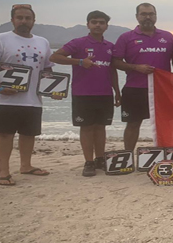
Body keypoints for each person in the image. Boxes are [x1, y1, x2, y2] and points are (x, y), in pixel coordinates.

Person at [0, 4, 57, 185]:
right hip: (4, 99)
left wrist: (52, 89)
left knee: (28, 134)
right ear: (12, 20)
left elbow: (47, 69)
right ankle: (3, 171)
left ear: (33, 21)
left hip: (33, 100)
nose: (24, 21)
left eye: (27, 18)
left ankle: (26, 166)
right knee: (5, 134)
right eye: (20, 18)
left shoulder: (43, 42)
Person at [50, 10, 121, 176]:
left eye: (101, 22)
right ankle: (89, 162)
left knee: (101, 127)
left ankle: (100, 159)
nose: (98, 25)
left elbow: (112, 71)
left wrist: (117, 92)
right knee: (87, 128)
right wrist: (79, 61)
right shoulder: (78, 43)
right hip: (83, 94)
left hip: (105, 94)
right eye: (94, 22)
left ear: (106, 26)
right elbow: (54, 57)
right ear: (88, 24)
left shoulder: (110, 46)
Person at [111, 3, 173, 151]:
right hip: (135, 89)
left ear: (156, 16)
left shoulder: (168, 37)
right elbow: (115, 62)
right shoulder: (126, 37)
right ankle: (128, 155)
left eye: (151, 14)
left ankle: (166, 155)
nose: (148, 17)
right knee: (133, 124)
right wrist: (136, 67)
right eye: (144, 14)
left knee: (165, 123)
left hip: (162, 90)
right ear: (137, 16)